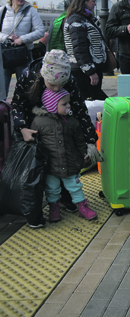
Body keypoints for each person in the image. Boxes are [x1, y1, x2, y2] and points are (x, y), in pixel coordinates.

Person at [11, 49, 100, 228]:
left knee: (64, 161)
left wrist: (90, 141)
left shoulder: (70, 81)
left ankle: (67, 200)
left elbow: (80, 110)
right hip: (33, 127)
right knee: (37, 172)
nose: (58, 89)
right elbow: (17, 104)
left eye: (62, 85)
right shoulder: (28, 76)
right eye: (53, 85)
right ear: (44, 76)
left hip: (62, 126)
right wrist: (22, 128)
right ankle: (35, 211)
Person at [30, 88, 98, 222]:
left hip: (70, 162)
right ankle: (54, 207)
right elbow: (36, 143)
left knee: (75, 186)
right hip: (51, 165)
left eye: (68, 103)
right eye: (64, 104)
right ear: (51, 105)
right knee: (52, 188)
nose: (68, 106)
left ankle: (82, 206)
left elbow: (79, 140)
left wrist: (84, 153)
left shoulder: (72, 121)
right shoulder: (39, 122)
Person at [0, 0, 45, 98]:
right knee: (2, 90)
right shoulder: (3, 11)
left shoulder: (30, 11)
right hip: (5, 55)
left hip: (23, 54)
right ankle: (4, 112)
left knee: (25, 89)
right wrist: (6, 38)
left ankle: (22, 111)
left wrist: (22, 39)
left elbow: (40, 31)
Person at [63, 0, 108, 100]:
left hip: (90, 68)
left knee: (95, 98)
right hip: (83, 71)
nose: (95, 4)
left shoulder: (85, 18)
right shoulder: (77, 20)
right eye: (93, 1)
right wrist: (90, 71)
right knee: (91, 100)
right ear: (84, 1)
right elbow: (79, 48)